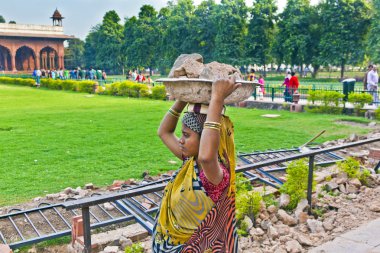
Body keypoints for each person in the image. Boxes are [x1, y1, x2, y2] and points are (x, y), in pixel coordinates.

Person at [153, 77, 239, 253]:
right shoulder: (190, 161)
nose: (181, 141)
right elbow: (164, 132)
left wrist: (217, 99)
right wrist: (184, 96)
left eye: (186, 135)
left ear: (207, 139)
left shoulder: (215, 175)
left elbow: (208, 156)